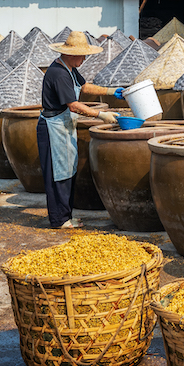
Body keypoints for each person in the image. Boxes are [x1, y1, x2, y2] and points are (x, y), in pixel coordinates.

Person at [40, 31, 122, 229]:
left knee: (67, 171)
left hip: (63, 126)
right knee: (57, 173)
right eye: (82, 55)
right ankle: (59, 220)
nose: (84, 59)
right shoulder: (58, 73)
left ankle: (65, 217)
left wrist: (111, 91)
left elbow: (85, 87)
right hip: (53, 128)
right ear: (69, 54)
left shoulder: (69, 69)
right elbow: (74, 105)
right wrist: (101, 115)